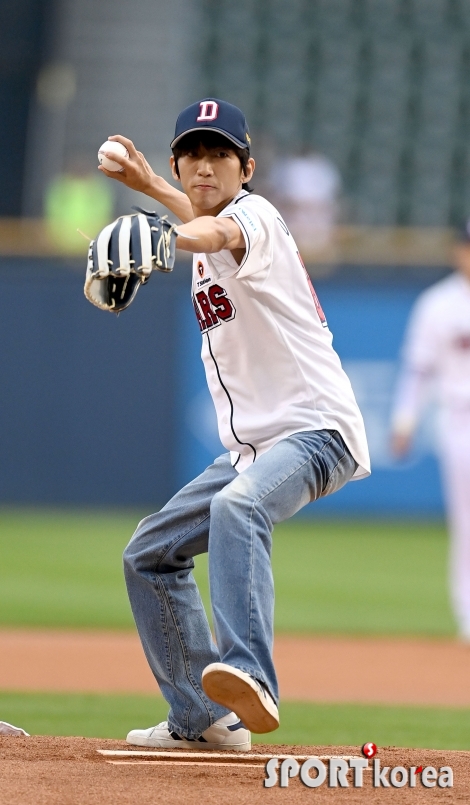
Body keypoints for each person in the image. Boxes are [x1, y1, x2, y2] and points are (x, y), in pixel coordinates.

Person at [98, 98, 370, 751]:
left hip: (316, 428)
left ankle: (250, 676)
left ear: (245, 167)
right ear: (177, 161)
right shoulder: (199, 215)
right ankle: (202, 719)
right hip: (253, 447)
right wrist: (148, 190)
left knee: (238, 507)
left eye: (221, 153)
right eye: (193, 153)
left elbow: (214, 232)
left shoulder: (257, 216)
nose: (205, 165)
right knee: (148, 553)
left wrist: (162, 229)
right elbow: (195, 218)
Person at [391, 224, 470, 641]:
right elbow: (418, 372)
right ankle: (468, 616)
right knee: (467, 521)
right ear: (458, 251)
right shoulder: (438, 303)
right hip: (460, 418)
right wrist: (405, 421)